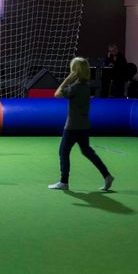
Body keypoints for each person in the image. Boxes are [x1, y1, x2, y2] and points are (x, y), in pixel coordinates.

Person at [49, 57, 114, 191]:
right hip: (84, 125)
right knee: (87, 151)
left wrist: (67, 79)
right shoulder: (85, 87)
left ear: (75, 71)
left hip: (72, 126)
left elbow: (57, 94)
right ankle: (107, 175)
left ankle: (64, 181)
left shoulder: (75, 87)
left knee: (63, 152)